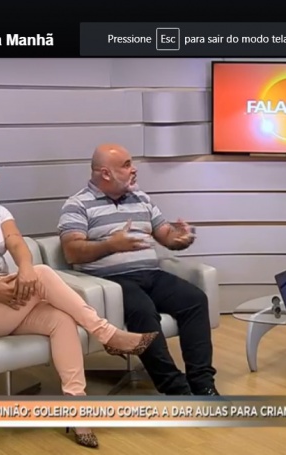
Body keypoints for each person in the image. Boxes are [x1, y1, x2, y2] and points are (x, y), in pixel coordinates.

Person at [0, 147, 159, 449]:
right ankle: (107, 334)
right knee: (44, 274)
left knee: (60, 319)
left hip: (8, 300)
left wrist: (24, 269)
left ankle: (77, 411)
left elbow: (17, 244)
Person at [58, 144, 218, 396]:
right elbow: (72, 251)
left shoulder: (141, 198)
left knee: (195, 300)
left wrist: (182, 237)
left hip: (151, 274)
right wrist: (111, 245)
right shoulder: (77, 205)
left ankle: (203, 384)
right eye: (126, 165)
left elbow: (166, 235)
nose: (134, 169)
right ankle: (176, 389)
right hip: (110, 281)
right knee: (143, 311)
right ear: (106, 173)